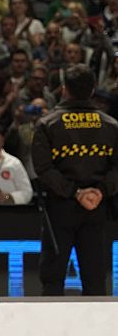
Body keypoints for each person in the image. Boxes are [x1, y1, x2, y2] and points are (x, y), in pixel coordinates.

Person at [32, 64, 118, 295]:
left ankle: (51, 330)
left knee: (53, 279)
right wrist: (100, 191)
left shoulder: (47, 124)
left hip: (60, 208)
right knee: (95, 279)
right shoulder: (111, 125)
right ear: (93, 90)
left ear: (64, 89)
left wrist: (74, 193)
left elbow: (43, 169)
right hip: (96, 207)